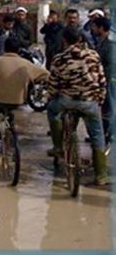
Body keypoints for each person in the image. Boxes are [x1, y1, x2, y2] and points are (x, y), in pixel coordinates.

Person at [46, 27, 108, 186]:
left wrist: (50, 96)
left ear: (64, 40)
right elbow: (102, 79)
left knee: (52, 110)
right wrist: (100, 98)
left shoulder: (59, 58)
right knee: (97, 135)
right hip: (90, 101)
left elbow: (53, 83)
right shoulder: (94, 55)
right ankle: (101, 175)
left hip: (66, 100)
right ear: (80, 39)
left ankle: (58, 146)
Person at [0, 37, 49, 162]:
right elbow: (45, 75)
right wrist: (32, 83)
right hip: (17, 100)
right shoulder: (25, 64)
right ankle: (12, 146)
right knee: (11, 120)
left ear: (4, 48)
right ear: (18, 50)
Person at [90, 16, 112, 147]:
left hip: (110, 81)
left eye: (94, 26)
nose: (92, 29)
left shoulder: (110, 44)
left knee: (108, 109)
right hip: (104, 80)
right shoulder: (102, 41)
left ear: (101, 28)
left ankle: (107, 137)